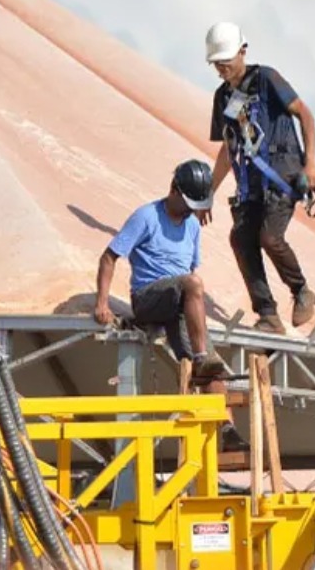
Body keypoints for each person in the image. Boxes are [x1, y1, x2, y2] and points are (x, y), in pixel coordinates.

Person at [93, 159, 248, 450]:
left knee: (213, 367)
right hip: (148, 298)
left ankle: (226, 427)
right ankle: (201, 356)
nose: (191, 209)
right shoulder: (146, 216)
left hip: (177, 303)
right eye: (188, 202)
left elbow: (188, 270)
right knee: (193, 283)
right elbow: (108, 257)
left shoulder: (192, 226)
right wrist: (102, 303)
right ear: (173, 190)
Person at [199, 21, 315, 335]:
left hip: (283, 174)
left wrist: (310, 164)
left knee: (269, 236)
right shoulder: (223, 98)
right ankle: (268, 315)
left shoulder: (266, 79)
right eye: (217, 63)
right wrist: (209, 191)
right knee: (241, 238)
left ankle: (302, 291)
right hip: (250, 183)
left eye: (225, 60)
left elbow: (305, 114)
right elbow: (228, 148)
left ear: (242, 51)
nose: (221, 67)